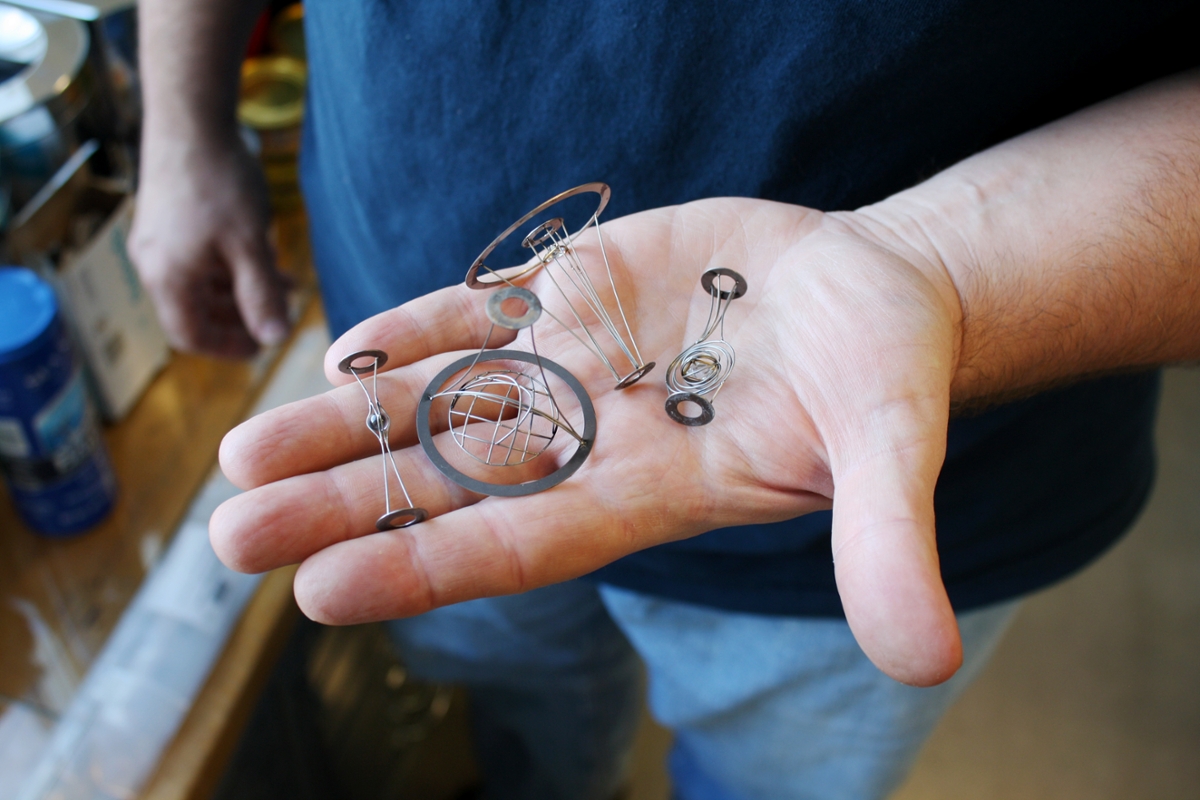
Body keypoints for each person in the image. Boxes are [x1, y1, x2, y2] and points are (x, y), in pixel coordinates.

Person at [131, 1, 1199, 797]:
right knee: (525, 719)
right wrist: (177, 130)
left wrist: (935, 266)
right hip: (435, 395)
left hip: (898, 460)